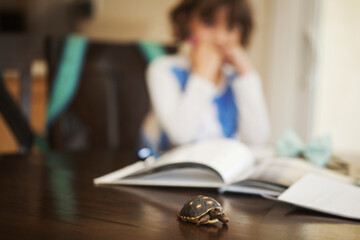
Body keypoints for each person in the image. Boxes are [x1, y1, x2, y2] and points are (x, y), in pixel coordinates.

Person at [141, 0, 270, 155]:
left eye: (230, 27)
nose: (220, 38)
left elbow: (256, 139)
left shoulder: (234, 78)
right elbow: (181, 136)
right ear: (186, 21)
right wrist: (203, 75)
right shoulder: (164, 70)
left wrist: (248, 75)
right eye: (209, 23)